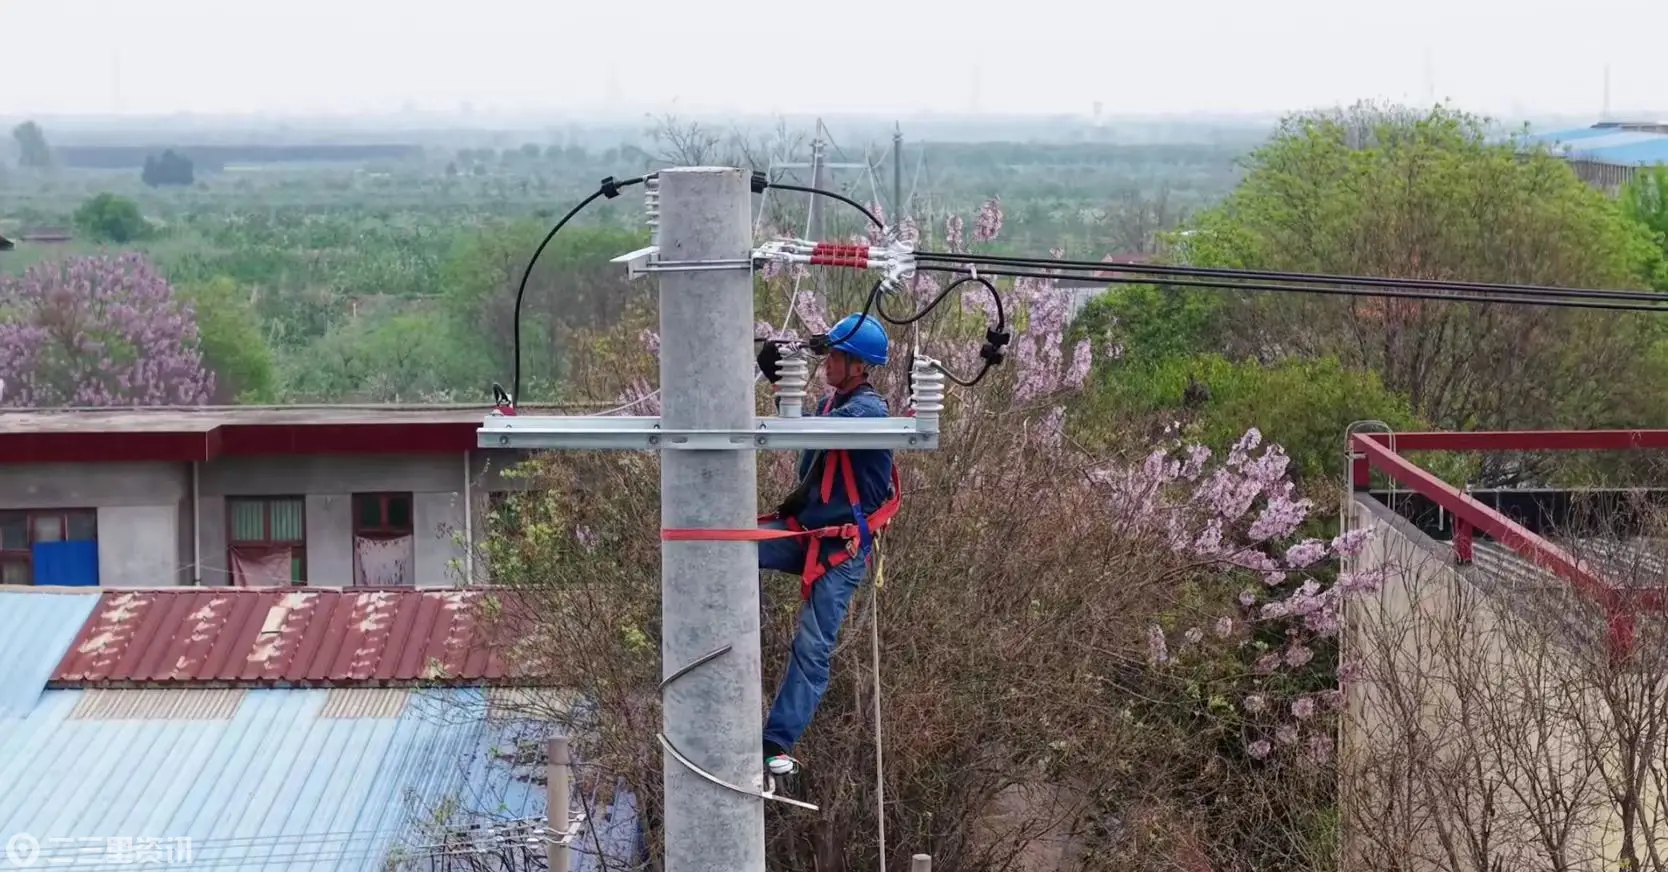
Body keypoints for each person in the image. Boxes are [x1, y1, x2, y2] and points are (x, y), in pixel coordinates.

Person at [753, 313, 896, 781]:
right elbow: (809, 432)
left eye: (835, 355)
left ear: (857, 366)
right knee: (732, 547)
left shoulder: (869, 411)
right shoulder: (831, 402)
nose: (828, 363)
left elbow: (826, 429)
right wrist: (782, 382)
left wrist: (786, 381)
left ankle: (777, 740)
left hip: (843, 550)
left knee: (812, 646)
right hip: (808, 534)